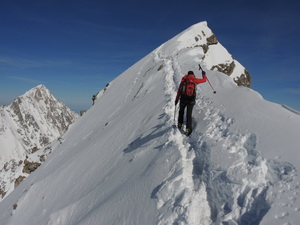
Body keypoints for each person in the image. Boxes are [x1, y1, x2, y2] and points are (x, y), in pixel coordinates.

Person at [175, 70, 207, 136]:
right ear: (193, 74)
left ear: (188, 74)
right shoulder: (195, 80)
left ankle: (180, 124)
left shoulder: (184, 80)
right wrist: (203, 74)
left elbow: (179, 91)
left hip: (183, 99)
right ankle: (188, 129)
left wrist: (177, 99)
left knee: (181, 111)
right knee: (189, 114)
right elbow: (204, 80)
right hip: (191, 100)